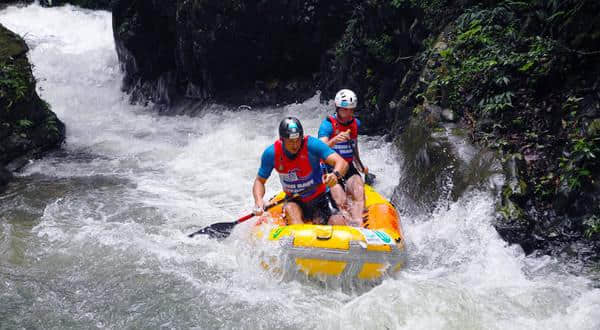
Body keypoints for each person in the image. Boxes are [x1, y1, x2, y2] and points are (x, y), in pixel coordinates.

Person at [253, 117, 350, 225]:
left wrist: (335, 174)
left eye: (298, 140)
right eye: (290, 141)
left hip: (320, 197)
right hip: (294, 200)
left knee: (338, 222)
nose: (295, 145)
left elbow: (341, 162)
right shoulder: (271, 154)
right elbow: (259, 181)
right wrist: (259, 200)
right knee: (291, 209)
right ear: (282, 139)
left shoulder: (312, 145)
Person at [318, 89, 367, 227]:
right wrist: (334, 141)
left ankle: (358, 223)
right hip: (330, 168)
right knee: (341, 199)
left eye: (351, 110)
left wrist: (360, 166)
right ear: (338, 108)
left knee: (358, 188)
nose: (349, 114)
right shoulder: (327, 125)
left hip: (349, 166)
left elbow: (354, 147)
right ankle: (346, 222)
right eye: (345, 110)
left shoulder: (355, 124)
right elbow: (319, 150)